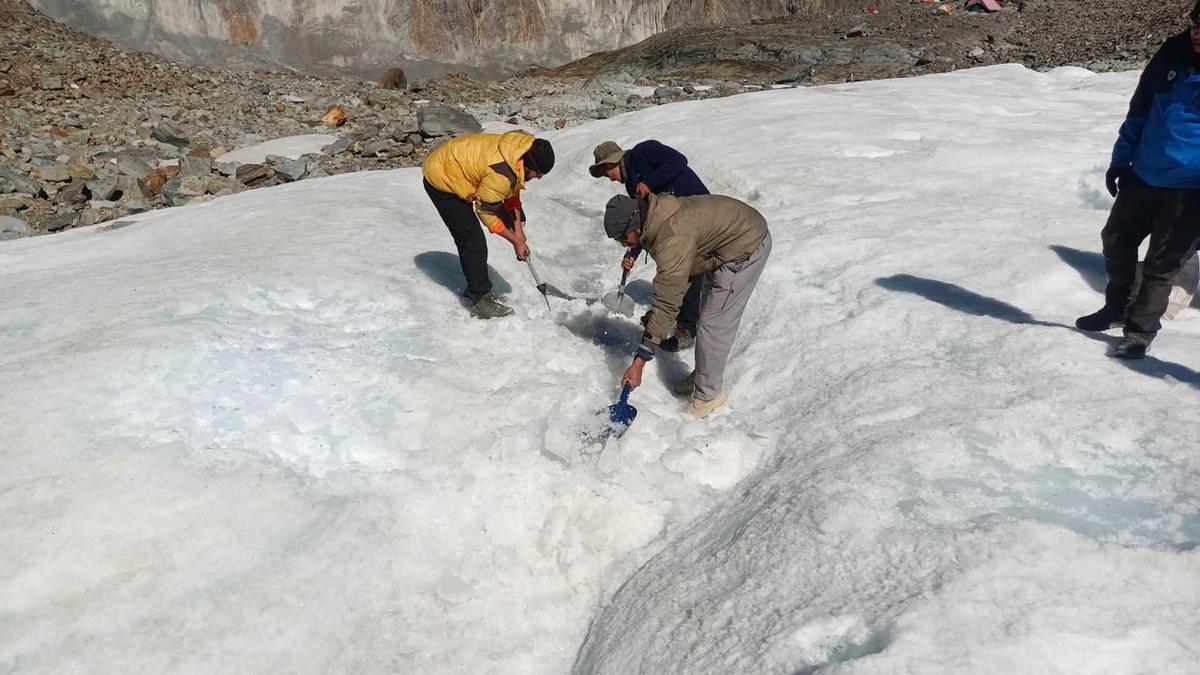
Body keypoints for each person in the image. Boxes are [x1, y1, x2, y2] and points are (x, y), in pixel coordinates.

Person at [1075, 3, 1200, 358]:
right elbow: (1140, 109)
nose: (1197, 33)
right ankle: (1117, 307)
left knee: (1162, 265)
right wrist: (1121, 160)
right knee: (1116, 240)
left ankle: (1140, 332)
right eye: (1195, 25)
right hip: (1145, 173)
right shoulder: (1172, 53)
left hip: (1191, 190)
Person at [604, 193, 771, 418]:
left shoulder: (670, 236)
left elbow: (667, 300)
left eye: (622, 237)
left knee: (715, 322)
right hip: (722, 243)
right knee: (708, 315)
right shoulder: (654, 216)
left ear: (635, 223)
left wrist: (639, 362)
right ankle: (705, 374)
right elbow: (674, 282)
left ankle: (708, 396)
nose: (623, 243)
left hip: (744, 244)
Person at [589, 140, 710, 351]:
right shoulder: (631, 184)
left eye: (607, 174)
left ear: (611, 164)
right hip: (674, 223)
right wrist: (633, 253)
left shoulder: (644, 151)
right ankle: (668, 319)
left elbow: (679, 161)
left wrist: (650, 182)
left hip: (699, 211)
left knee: (690, 269)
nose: (610, 180)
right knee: (674, 269)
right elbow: (641, 221)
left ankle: (686, 329)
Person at [422, 131, 555, 318]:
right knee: (473, 241)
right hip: (443, 177)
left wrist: (518, 231)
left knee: (515, 217)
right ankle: (479, 297)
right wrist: (514, 241)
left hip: (465, 165)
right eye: (538, 173)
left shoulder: (519, 151)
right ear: (529, 165)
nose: (539, 178)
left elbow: (512, 190)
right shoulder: (502, 174)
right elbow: (485, 212)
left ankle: (479, 290)